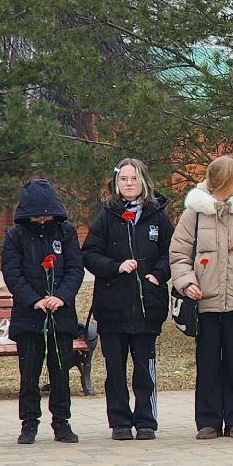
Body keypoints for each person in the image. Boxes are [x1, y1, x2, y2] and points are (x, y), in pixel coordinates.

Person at [170, 156, 233, 439]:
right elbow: (178, 253)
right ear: (225, 180)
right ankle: (208, 420)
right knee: (209, 361)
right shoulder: (195, 213)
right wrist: (187, 282)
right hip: (206, 302)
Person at [81, 159, 174, 440]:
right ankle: (120, 421)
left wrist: (157, 275)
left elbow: (173, 251)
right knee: (115, 371)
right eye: (124, 179)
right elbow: (90, 254)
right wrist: (115, 266)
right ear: (116, 184)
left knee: (144, 368)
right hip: (112, 306)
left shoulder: (157, 216)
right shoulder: (107, 216)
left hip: (147, 306)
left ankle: (146, 420)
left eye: (134, 179)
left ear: (143, 181)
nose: (129, 184)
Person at [2, 179, 86, 445]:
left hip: (60, 315)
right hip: (30, 316)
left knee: (60, 370)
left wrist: (60, 297)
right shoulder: (16, 235)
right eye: (36, 214)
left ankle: (62, 422)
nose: (41, 219)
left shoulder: (66, 232)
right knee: (29, 373)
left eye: (45, 214)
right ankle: (29, 423)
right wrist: (33, 300)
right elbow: (12, 273)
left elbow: (75, 268)